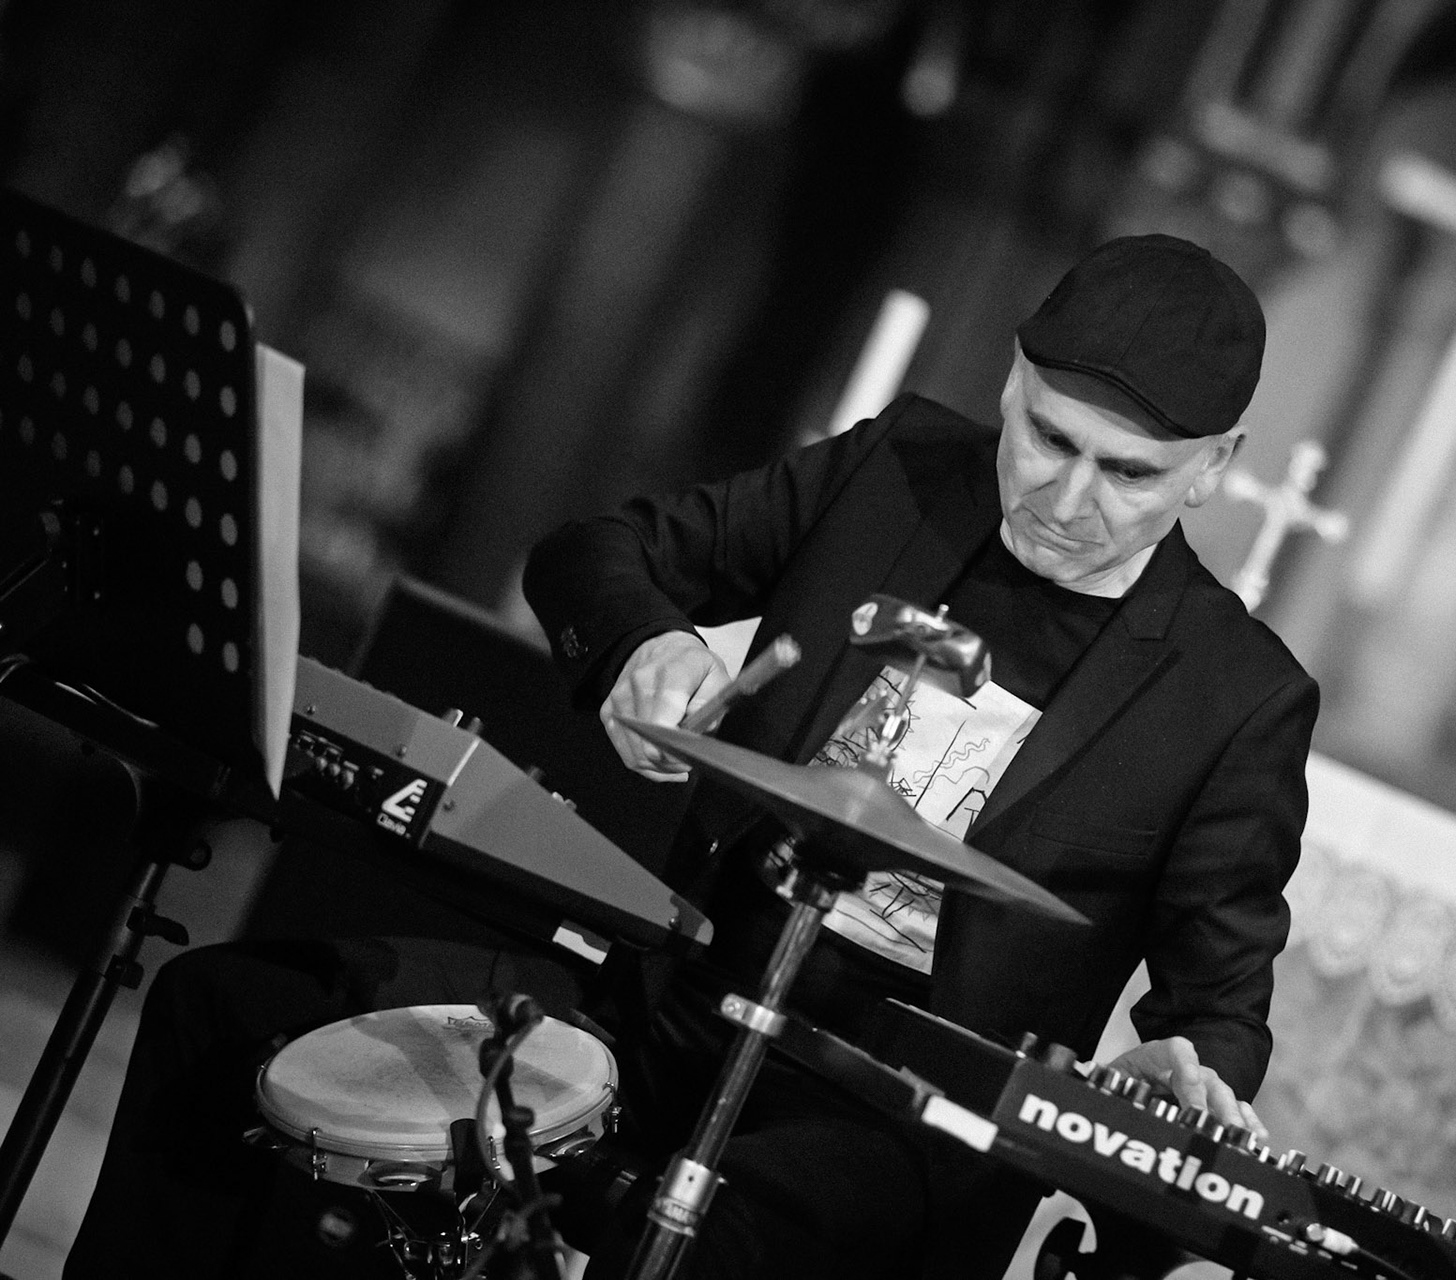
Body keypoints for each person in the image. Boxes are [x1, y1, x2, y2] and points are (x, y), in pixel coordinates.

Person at [64, 233, 1315, 1280]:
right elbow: (591, 554)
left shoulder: (1235, 699)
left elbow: (1217, 1007)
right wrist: (643, 646)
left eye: (1128, 473)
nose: (1066, 496)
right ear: (1010, 382)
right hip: (669, 1002)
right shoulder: (895, 472)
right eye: (1047, 437)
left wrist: (1185, 1074)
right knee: (224, 1016)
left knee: (692, 1238)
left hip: (888, 1117)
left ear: (1214, 468)